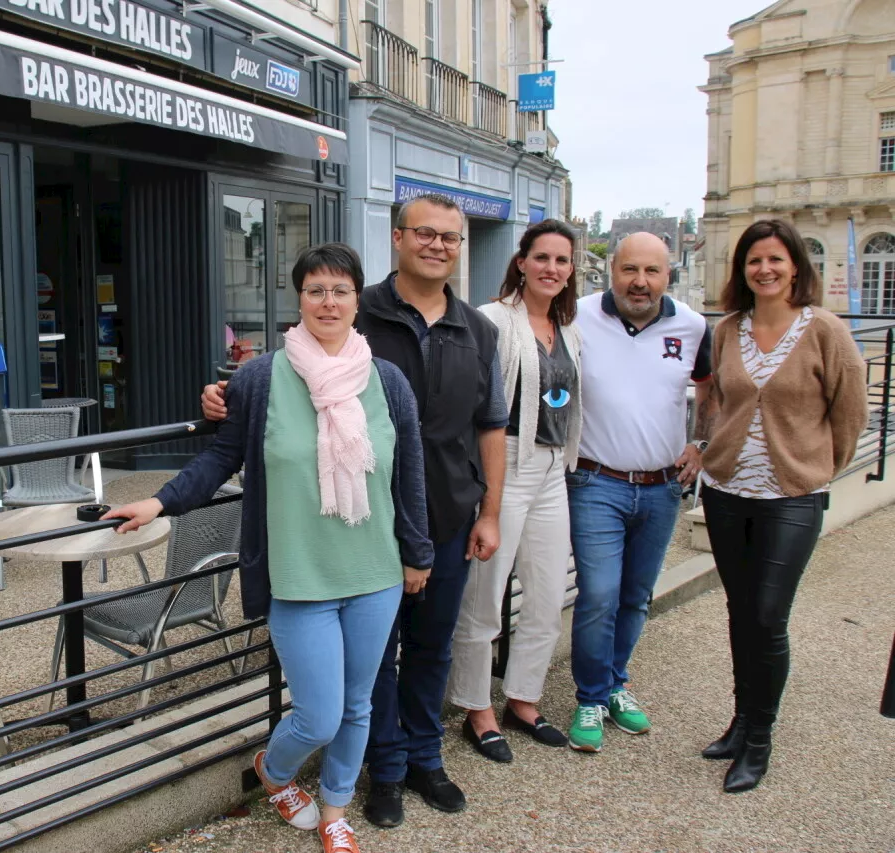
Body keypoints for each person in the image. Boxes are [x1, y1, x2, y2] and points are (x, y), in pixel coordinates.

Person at [106, 243, 433, 853]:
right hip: (298, 575)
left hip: (376, 572)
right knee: (319, 714)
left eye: (340, 290)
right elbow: (219, 457)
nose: (328, 302)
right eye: (315, 290)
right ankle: (274, 771)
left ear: (356, 298)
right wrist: (157, 502)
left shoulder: (387, 380)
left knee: (359, 703)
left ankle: (335, 810)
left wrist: (418, 554)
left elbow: (408, 473)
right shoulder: (260, 378)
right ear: (299, 299)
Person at [202, 194, 508, 827]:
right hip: (359, 533)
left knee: (431, 651)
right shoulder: (358, 306)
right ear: (397, 239)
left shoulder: (477, 329)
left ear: (461, 247)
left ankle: (425, 761)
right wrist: (220, 396)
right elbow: (284, 380)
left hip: (441, 514)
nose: (437, 245)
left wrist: (491, 511)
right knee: (369, 675)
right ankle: (386, 773)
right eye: (424, 233)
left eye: (450, 237)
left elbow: (490, 425)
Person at [697, 218, 866, 793]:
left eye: (775, 259)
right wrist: (709, 448)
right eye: (753, 261)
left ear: (796, 265)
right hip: (725, 494)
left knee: (768, 617)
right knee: (741, 613)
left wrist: (815, 469)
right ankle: (741, 722)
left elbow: (850, 413)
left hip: (792, 498)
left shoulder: (824, 330)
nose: (764, 270)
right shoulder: (728, 329)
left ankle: (760, 741)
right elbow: (717, 399)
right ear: (742, 271)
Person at [566, 232, 714, 753]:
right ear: (613, 271)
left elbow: (710, 386)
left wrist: (701, 442)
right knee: (600, 594)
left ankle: (614, 686)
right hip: (595, 481)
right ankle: (589, 696)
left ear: (668, 275)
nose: (640, 281)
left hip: (661, 487)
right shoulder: (578, 315)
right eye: (630, 269)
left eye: (652, 271)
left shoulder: (693, 325)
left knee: (635, 597)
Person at [446, 219, 582, 762]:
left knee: (548, 596)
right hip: (505, 471)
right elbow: (478, 408)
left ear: (572, 271)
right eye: (542, 257)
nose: (552, 268)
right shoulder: (492, 320)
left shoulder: (569, 327)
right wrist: (488, 499)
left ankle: (522, 698)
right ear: (521, 261)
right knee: (485, 597)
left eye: (562, 261)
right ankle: (476, 708)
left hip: (554, 471)